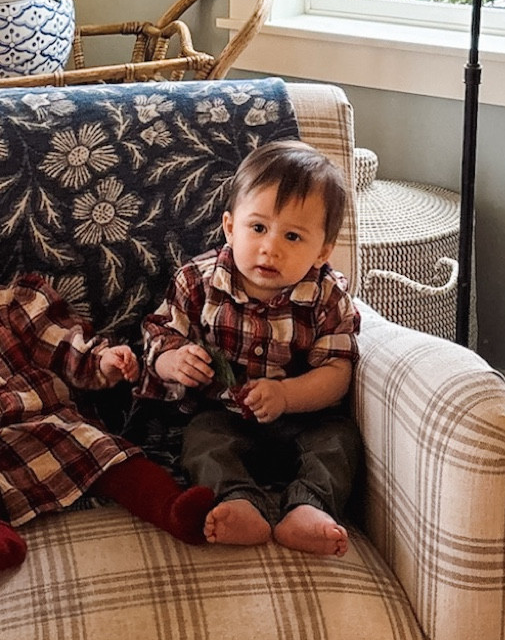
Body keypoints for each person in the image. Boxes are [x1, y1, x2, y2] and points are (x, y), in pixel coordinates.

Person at [0, 214, 212, 583]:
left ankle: (172, 508)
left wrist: (102, 362)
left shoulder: (14, 307)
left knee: (106, 450)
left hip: (49, 428)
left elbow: (61, 345)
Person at [138, 141, 361, 556]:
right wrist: (174, 360)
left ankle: (308, 507)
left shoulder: (326, 296)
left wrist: (287, 396)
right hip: (224, 417)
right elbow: (158, 334)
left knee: (340, 440)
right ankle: (238, 502)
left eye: (293, 236)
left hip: (301, 421)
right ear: (230, 226)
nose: (270, 248)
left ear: (323, 251)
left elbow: (337, 374)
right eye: (257, 228)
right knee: (202, 440)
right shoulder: (197, 282)